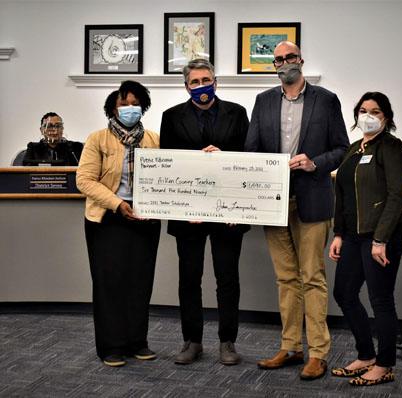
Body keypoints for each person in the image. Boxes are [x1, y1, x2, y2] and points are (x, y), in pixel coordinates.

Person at [245, 41, 349, 380]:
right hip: (273, 202)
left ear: (301, 61)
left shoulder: (326, 100)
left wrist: (314, 163)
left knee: (312, 278)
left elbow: (342, 150)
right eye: (278, 60)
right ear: (273, 65)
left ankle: (318, 353)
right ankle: (291, 347)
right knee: (286, 278)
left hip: (312, 200)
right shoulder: (263, 101)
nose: (285, 63)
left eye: (290, 57)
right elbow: (252, 149)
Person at [160, 58, 249, 366]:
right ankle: (192, 341)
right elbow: (168, 162)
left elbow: (247, 158)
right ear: (186, 86)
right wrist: (197, 162)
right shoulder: (170, 117)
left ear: (215, 82)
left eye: (206, 79)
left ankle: (228, 342)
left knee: (227, 278)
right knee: (189, 278)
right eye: (195, 82)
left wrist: (223, 157)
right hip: (189, 212)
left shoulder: (237, 113)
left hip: (228, 211)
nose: (201, 86)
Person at [76, 80, 161, 367]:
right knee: (110, 282)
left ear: (143, 106)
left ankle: (137, 342)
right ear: (113, 107)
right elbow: (84, 180)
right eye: (124, 104)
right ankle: (111, 346)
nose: (130, 108)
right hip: (108, 218)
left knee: (140, 281)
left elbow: (169, 175)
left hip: (145, 218)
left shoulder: (153, 138)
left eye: (135, 103)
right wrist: (117, 203)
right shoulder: (97, 139)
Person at [329, 92, 402, 386]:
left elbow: (396, 196)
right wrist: (338, 233)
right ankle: (366, 355)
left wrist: (381, 239)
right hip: (352, 236)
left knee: (381, 301)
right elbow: (343, 194)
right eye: (363, 110)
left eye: (375, 111)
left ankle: (385, 364)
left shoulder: (393, 148)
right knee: (344, 294)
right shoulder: (353, 149)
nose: (368, 116)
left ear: (386, 117)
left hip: (382, 238)